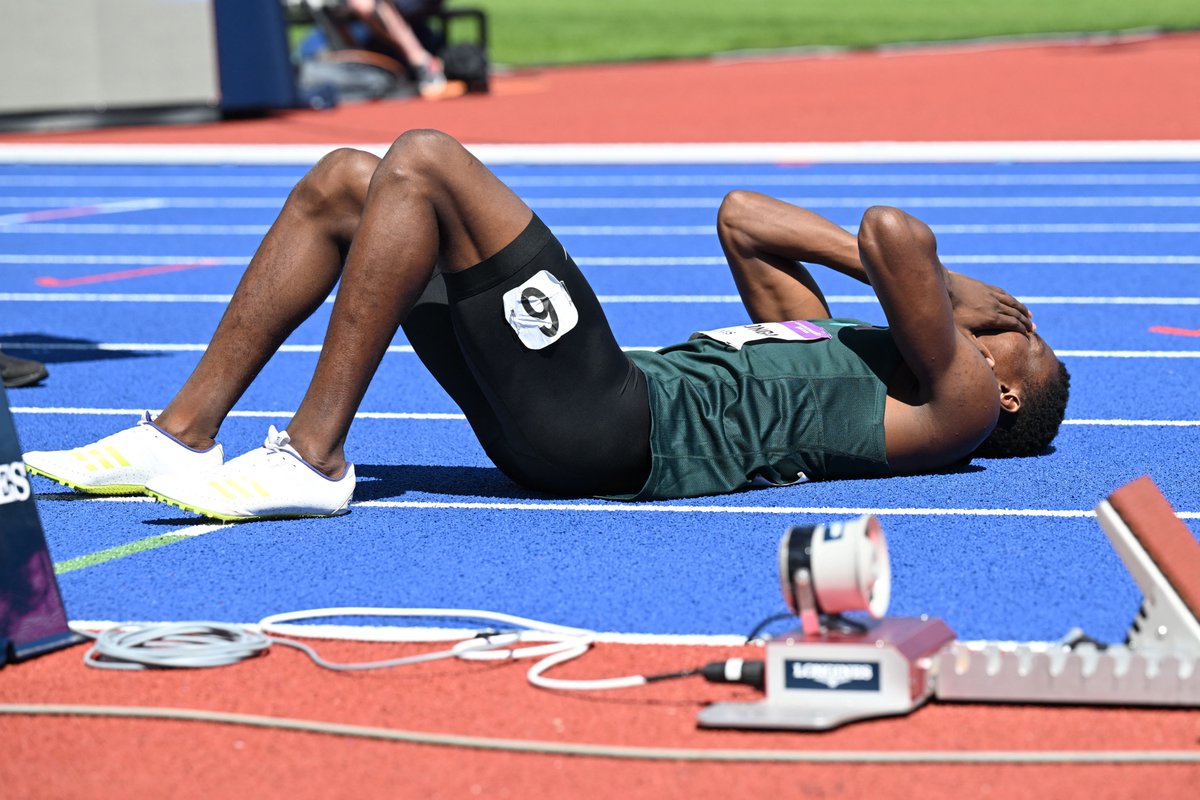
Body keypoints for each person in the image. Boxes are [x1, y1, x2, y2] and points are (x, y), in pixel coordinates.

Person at [23, 130, 1069, 521]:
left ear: (1011, 386)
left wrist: (955, 288)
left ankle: (313, 454)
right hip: (573, 418)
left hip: (623, 424)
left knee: (427, 158)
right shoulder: (844, 350)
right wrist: (900, 292)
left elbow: (893, 233)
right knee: (351, 181)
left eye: (1025, 334)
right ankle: (181, 431)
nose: (1008, 322)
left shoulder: (964, 409)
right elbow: (743, 216)